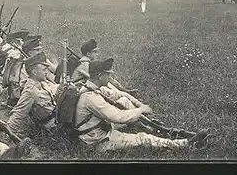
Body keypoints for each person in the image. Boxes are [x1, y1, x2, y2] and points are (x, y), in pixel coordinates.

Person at [74, 58, 208, 152]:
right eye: (108, 75)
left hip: (98, 126)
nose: (110, 78)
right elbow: (119, 117)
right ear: (99, 75)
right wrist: (140, 110)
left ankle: (156, 128)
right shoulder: (91, 98)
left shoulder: (92, 88)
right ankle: (184, 144)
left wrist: (139, 104)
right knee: (143, 139)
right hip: (96, 140)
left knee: (125, 102)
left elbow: (119, 95)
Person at [7, 52, 61, 136]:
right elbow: (19, 112)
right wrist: (9, 134)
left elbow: (53, 93)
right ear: (34, 72)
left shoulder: (42, 83)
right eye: (44, 69)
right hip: (53, 126)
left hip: (57, 118)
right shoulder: (31, 90)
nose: (47, 72)